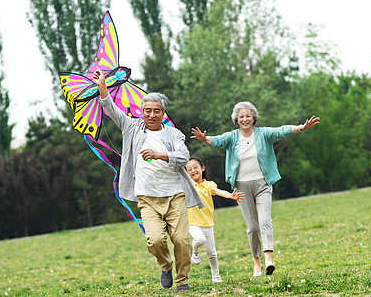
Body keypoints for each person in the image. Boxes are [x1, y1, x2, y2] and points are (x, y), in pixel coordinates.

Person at [93, 68, 204, 292]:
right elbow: (109, 108)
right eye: (147, 111)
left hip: (174, 195)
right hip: (147, 197)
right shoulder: (132, 127)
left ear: (163, 113)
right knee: (155, 240)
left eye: (156, 111)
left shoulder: (174, 134)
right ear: (141, 112)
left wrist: (160, 155)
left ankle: (182, 280)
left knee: (182, 241)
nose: (151, 115)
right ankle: (166, 265)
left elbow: (183, 157)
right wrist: (103, 85)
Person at [191, 101, 320, 277]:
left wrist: (302, 127)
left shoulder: (263, 134)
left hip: (262, 184)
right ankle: (257, 263)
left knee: (265, 220)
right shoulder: (232, 137)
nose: (245, 119)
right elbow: (217, 141)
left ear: (254, 118)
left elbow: (281, 131)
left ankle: (269, 260)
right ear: (236, 119)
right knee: (252, 227)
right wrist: (204, 139)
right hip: (241, 187)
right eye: (241, 116)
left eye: (248, 116)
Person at [185, 157, 245, 283]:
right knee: (200, 239)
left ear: (202, 168)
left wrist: (231, 196)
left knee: (211, 253)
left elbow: (219, 192)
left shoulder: (209, 185)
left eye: (195, 167)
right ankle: (194, 250)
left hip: (208, 224)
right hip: (192, 223)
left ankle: (216, 276)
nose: (193, 171)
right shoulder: (188, 186)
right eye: (189, 169)